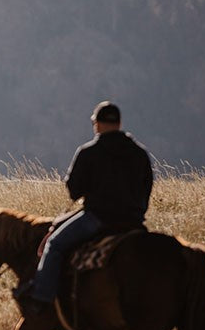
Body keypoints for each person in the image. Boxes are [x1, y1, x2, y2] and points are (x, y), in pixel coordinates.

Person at [15, 101, 154, 313]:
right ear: (119, 123)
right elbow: (147, 188)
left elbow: (73, 191)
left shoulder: (89, 152)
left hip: (98, 219)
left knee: (54, 244)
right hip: (133, 221)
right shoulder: (139, 153)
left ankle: (41, 297)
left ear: (97, 124)